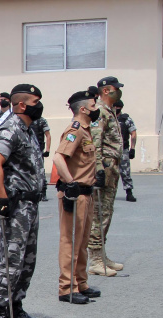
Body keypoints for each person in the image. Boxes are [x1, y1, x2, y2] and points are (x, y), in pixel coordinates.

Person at [0, 84, 48, 318]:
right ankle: (0, 316)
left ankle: (16, 307)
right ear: (22, 104)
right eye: (35, 101)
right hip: (17, 205)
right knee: (11, 260)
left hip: (31, 204)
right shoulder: (11, 127)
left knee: (27, 260)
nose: (39, 105)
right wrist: (2, 200)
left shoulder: (28, 129)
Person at [52, 88, 103, 305]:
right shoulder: (75, 130)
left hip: (86, 193)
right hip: (75, 195)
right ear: (82, 109)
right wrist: (70, 182)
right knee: (70, 241)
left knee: (81, 241)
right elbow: (58, 158)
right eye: (92, 106)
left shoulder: (86, 130)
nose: (95, 110)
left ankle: (81, 282)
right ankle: (67, 288)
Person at [88, 76, 125, 277]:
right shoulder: (101, 110)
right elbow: (96, 140)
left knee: (107, 211)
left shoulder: (109, 110)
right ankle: (95, 259)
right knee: (100, 212)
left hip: (112, 166)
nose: (118, 92)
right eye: (115, 89)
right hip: (105, 166)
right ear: (106, 90)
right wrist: (99, 167)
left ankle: (101, 253)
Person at [115, 100, 137, 202]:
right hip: (110, 150)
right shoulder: (108, 118)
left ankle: (129, 192)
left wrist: (132, 149)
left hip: (123, 150)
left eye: (117, 107)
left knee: (125, 172)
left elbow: (133, 133)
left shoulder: (126, 119)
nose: (115, 109)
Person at [30, 116, 51, 202]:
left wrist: (47, 150)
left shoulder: (41, 121)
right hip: (27, 150)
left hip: (38, 150)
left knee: (40, 171)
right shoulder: (25, 120)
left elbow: (48, 135)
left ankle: (43, 192)